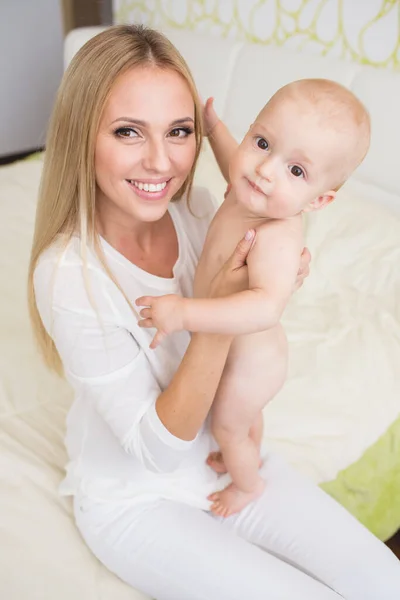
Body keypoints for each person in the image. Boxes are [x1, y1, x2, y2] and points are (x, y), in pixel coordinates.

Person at [27, 24, 400, 600]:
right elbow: (156, 449)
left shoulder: (198, 212)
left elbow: (254, 295)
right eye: (129, 132)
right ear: (82, 135)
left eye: (179, 132)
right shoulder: (68, 275)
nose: (159, 163)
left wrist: (262, 291)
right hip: (137, 498)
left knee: (382, 578)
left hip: (223, 458)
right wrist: (219, 310)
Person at [135, 79, 371, 518]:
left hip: (253, 363)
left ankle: (248, 483)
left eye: (296, 171)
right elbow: (235, 166)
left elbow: (266, 306)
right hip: (244, 357)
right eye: (262, 142)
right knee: (243, 418)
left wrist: (186, 312)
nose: (265, 170)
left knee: (227, 424)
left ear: (319, 200)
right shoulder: (254, 190)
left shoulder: (278, 234)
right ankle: (248, 440)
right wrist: (214, 130)